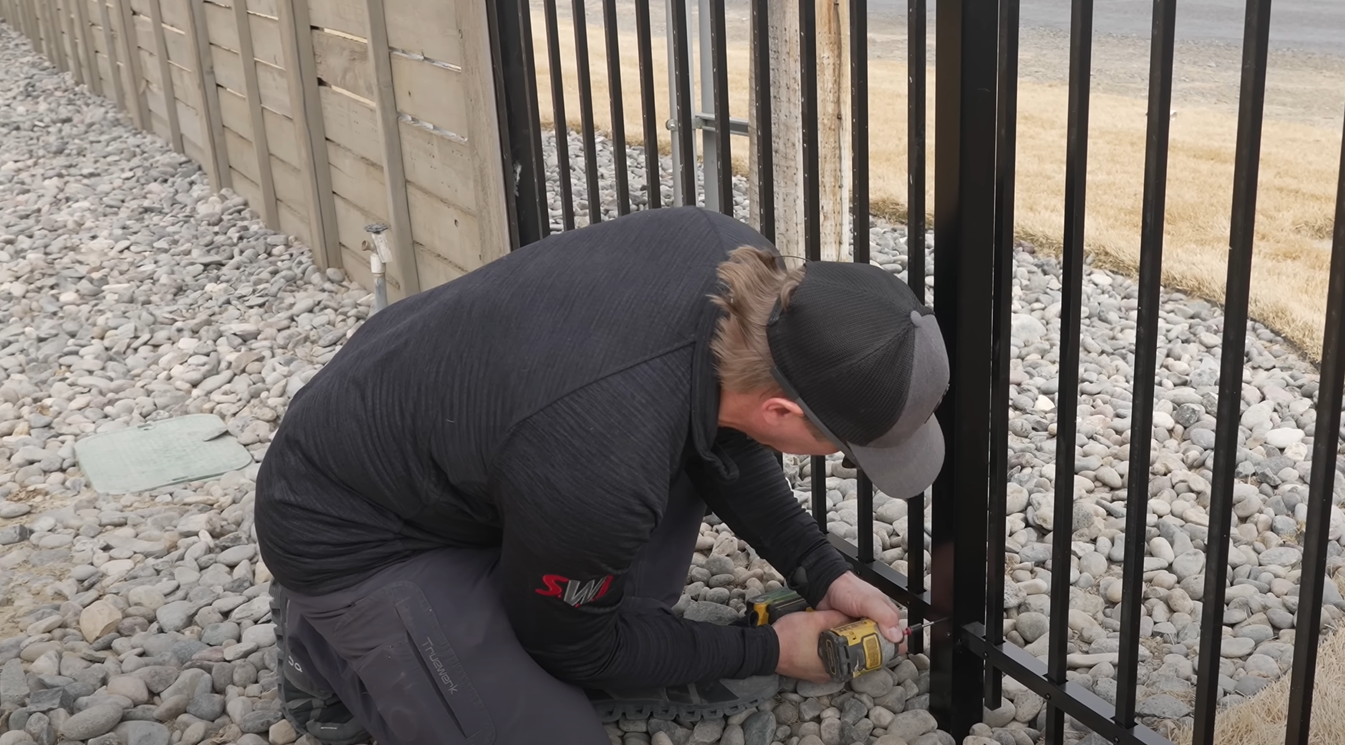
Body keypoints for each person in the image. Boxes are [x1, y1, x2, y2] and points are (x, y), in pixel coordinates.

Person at [252, 206, 949, 745]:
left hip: (492, 458)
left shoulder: (732, 261)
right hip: (350, 526)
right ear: (781, 407)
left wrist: (821, 570)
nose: (843, 458)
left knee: (608, 581)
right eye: (845, 448)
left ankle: (521, 613)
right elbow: (573, 641)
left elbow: (727, 441)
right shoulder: (603, 459)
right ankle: (325, 645)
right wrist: (769, 649)